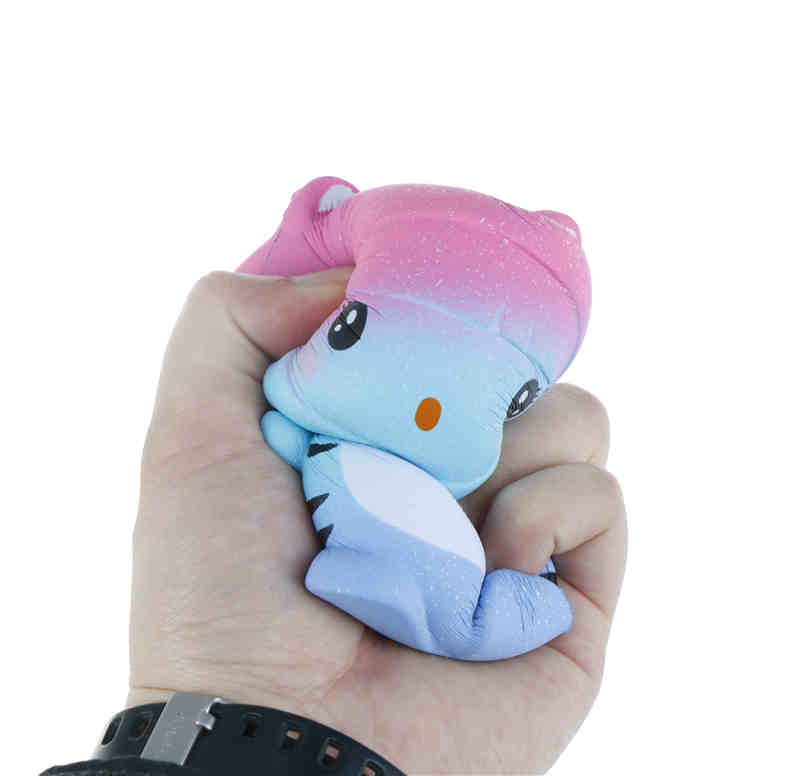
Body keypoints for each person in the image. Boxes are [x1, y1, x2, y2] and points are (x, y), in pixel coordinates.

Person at [42, 269, 627, 775]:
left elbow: (289, 432)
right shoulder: (318, 436)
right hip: (416, 565)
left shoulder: (323, 440)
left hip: (420, 558)